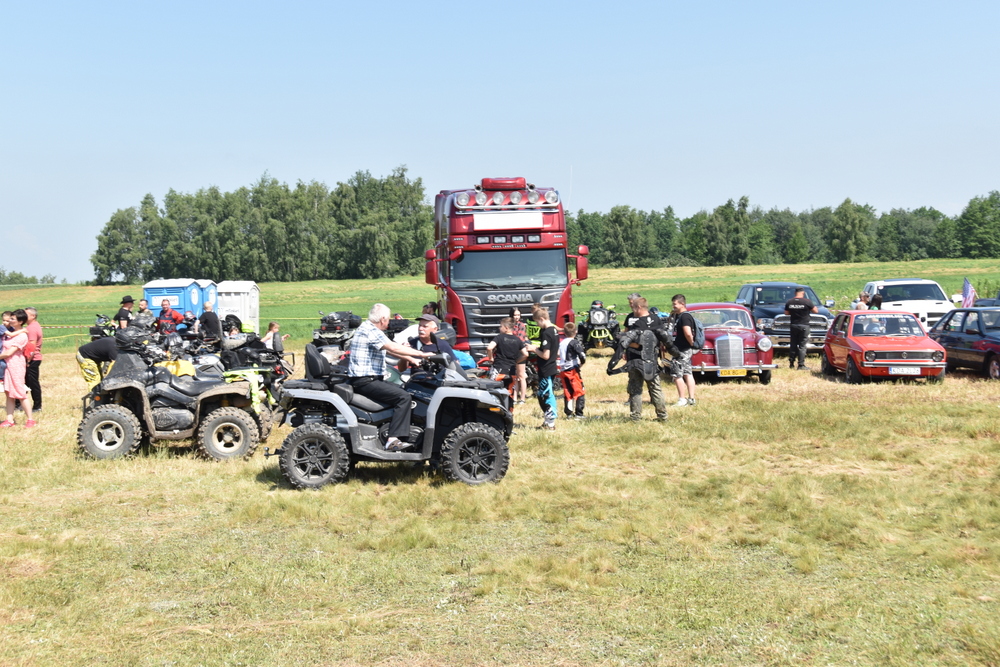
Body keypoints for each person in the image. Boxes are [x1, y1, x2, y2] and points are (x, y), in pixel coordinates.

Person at [348, 303, 432, 452]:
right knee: (403, 397)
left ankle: (404, 435)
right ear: (383, 319)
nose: (388, 323)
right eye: (387, 320)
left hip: (371, 379)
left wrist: (412, 360)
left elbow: (390, 350)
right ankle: (393, 439)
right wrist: (422, 354)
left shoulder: (369, 329)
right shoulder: (371, 330)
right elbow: (393, 347)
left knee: (407, 390)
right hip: (365, 380)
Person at [615, 297, 669, 420]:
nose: (632, 310)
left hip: (636, 359)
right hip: (652, 359)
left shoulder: (637, 324)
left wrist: (623, 341)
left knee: (635, 389)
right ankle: (662, 415)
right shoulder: (656, 319)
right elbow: (662, 338)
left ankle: (635, 416)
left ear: (639, 307)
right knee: (655, 388)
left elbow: (635, 343)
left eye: (633, 307)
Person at [525, 307, 559, 430]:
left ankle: (550, 423)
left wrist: (533, 349)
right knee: (541, 394)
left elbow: (545, 355)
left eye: (537, 322)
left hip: (546, 368)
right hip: (551, 366)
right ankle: (547, 420)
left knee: (546, 394)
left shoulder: (547, 333)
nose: (538, 325)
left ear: (542, 319)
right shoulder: (554, 330)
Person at [0, 309, 35, 427]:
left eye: (12, 319)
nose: (10, 320)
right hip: (7, 366)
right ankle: (9, 420)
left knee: (20, 393)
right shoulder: (9, 333)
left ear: (20, 321)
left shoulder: (22, 336)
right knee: (9, 393)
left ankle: (30, 419)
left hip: (16, 366)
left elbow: (9, 353)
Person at [485, 317, 528, 394]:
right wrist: (517, 361)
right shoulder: (518, 340)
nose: (499, 328)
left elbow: (489, 348)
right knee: (509, 392)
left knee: (494, 391)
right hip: (511, 371)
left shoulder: (499, 337)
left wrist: (491, 358)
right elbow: (525, 354)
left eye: (501, 326)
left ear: (506, 328)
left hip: (498, 369)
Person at [669, 295, 698, 407]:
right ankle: (691, 398)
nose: (673, 306)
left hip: (681, 350)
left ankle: (682, 399)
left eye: (675, 304)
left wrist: (691, 344)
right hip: (685, 350)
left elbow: (688, 333)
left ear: (682, 304)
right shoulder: (680, 316)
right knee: (687, 373)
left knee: (677, 374)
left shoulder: (685, 317)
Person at [558, 321, 587, 418]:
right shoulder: (574, 342)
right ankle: (579, 413)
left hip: (563, 369)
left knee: (567, 390)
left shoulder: (562, 342)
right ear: (575, 331)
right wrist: (581, 364)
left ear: (564, 332)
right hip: (572, 369)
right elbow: (582, 355)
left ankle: (568, 413)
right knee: (579, 390)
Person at [784, 287, 818, 370]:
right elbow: (816, 311)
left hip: (794, 325)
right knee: (802, 345)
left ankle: (791, 363)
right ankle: (801, 365)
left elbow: (786, 313)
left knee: (793, 344)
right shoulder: (807, 301)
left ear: (795, 293)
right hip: (804, 325)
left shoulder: (790, 302)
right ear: (803, 293)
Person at [24, 307, 42, 413]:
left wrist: (28, 360)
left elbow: (32, 346)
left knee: (32, 383)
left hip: (32, 359)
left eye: (26, 314)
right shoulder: (34, 325)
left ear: (33, 316)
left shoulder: (31, 328)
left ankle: (37, 406)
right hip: (34, 358)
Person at [509, 307, 529, 404]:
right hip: (512, 352)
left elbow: (519, 339)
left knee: (521, 376)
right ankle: (515, 397)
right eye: (515, 315)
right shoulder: (509, 325)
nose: (517, 317)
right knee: (515, 377)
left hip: (520, 352)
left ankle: (522, 398)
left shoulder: (521, 325)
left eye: (518, 315)